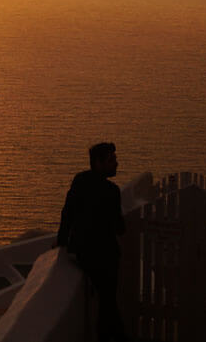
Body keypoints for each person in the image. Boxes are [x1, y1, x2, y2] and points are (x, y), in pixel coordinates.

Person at [58, 141, 126, 342]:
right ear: (98, 163)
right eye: (112, 160)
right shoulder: (112, 191)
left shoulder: (80, 181)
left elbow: (67, 212)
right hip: (105, 257)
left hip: (83, 254)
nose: (116, 163)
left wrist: (61, 240)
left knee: (107, 305)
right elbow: (120, 228)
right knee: (108, 304)